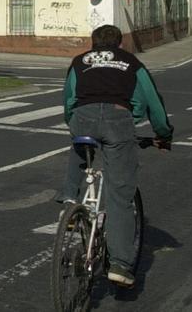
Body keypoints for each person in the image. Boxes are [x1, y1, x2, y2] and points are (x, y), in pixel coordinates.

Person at [57, 24, 173, 289]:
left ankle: (70, 200)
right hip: (116, 120)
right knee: (119, 192)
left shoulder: (79, 61)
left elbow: (69, 99)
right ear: (120, 44)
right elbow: (153, 101)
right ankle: (120, 264)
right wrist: (163, 134)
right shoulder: (131, 62)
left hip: (83, 118)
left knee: (79, 148)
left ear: (92, 43)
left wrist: (72, 121)